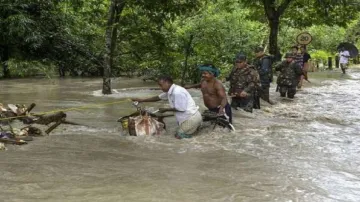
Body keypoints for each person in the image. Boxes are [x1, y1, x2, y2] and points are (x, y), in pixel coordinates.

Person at [131, 75, 202, 139]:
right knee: (182, 134)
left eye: (161, 85)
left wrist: (165, 110)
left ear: (167, 82)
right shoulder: (170, 91)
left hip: (191, 118)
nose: (160, 87)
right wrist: (141, 100)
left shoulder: (177, 92)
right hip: (190, 117)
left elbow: (181, 109)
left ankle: (196, 140)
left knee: (178, 137)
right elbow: (158, 98)